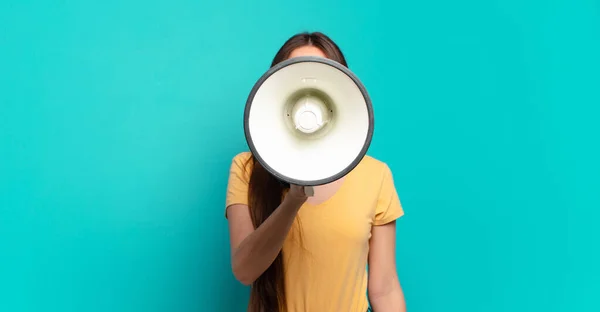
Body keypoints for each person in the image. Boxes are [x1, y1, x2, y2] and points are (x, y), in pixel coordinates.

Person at [225, 31, 406, 312]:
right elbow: (245, 271)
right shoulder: (247, 168)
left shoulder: (376, 175)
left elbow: (384, 288)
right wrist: (294, 200)